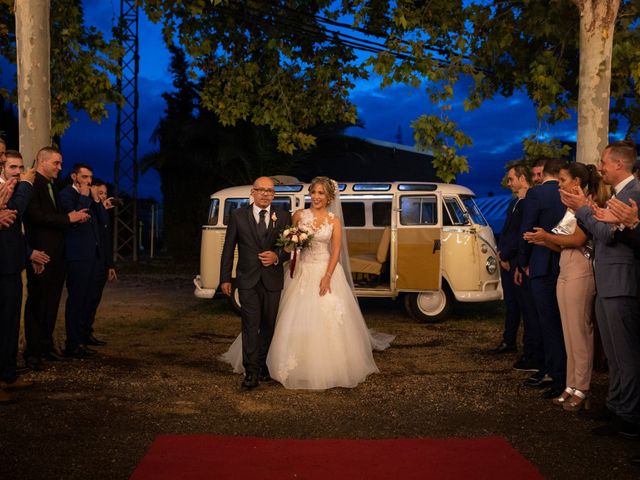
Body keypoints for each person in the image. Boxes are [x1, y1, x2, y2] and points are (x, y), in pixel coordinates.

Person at [221, 177, 394, 390]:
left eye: (321, 193)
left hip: (324, 271)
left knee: (316, 318)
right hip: (299, 272)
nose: (316, 197)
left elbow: (336, 250)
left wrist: (328, 276)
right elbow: (286, 242)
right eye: (313, 192)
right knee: (278, 320)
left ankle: (316, 365)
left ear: (329, 197)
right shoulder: (297, 216)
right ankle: (258, 368)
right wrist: (283, 252)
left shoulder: (334, 221)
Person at [561, 139, 640, 439]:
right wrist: (590, 210)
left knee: (625, 355)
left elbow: (606, 236)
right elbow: (606, 230)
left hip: (621, 283)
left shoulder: (634, 194)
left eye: (605, 161)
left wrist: (583, 210)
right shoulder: (618, 195)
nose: (601, 166)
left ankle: (628, 416)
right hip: (608, 281)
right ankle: (617, 406)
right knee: (615, 355)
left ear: (620, 164)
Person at [524, 163, 606, 411]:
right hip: (565, 267)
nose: (558, 184)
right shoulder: (570, 210)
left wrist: (547, 237)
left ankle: (582, 387)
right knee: (568, 332)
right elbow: (562, 244)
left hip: (581, 270)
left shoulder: (587, 206)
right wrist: (543, 239)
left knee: (580, 332)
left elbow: (579, 240)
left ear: (576, 183)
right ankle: (571, 385)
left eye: (562, 180)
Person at [219, 176, 292, 390]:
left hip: (272, 280)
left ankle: (262, 365)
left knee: (269, 326)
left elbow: (290, 248)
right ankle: (250, 373)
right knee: (250, 326)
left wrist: (277, 256)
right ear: (253, 192)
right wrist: (224, 277)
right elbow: (228, 248)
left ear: (274, 194)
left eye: (269, 191)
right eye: (261, 190)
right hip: (247, 280)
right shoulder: (238, 215)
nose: (265, 194)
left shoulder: (284, 216)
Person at [23, 147, 90, 370]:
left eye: (60, 163)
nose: (60, 168)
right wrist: (67, 219)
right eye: (56, 163)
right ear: (42, 162)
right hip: (41, 253)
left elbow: (57, 215)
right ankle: (32, 353)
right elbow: (36, 216)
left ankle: (45, 346)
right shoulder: (34, 184)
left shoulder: (53, 186)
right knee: (37, 302)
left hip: (58, 255)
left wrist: (72, 216)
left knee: (51, 302)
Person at [518, 158, 567, 399]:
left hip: (542, 264)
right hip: (565, 262)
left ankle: (555, 374)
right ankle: (560, 372)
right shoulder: (567, 192)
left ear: (545, 173)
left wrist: (522, 262)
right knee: (563, 324)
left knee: (547, 324)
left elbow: (527, 231)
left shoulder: (537, 195)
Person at [59, 164, 109, 358]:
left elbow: (103, 222)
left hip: (92, 256)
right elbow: (77, 217)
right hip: (77, 256)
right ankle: (73, 343)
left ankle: (81, 340)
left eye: (90, 177)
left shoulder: (90, 196)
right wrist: (85, 196)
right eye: (84, 177)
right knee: (77, 300)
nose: (88, 181)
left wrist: (96, 199)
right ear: (74, 177)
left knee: (87, 300)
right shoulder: (66, 195)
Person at [491, 163, 531, 356]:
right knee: (511, 303)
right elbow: (507, 232)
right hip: (506, 258)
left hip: (515, 261)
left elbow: (520, 234)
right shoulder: (513, 202)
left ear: (523, 178)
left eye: (511, 179)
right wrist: (500, 252)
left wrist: (507, 255)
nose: (508, 183)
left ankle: (523, 345)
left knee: (521, 304)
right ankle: (509, 340)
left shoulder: (526, 203)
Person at [85, 179, 116, 346]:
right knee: (87, 299)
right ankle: (81, 334)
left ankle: (88, 332)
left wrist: (110, 265)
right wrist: (101, 209)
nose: (103, 196)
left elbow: (107, 241)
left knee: (95, 299)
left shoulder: (103, 213)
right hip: (91, 262)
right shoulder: (90, 209)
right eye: (100, 193)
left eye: (105, 193)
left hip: (103, 262)